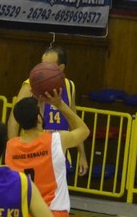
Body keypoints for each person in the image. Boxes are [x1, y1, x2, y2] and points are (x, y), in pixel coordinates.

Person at [7, 46, 88, 178]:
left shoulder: (69, 86)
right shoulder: (30, 85)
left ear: (61, 68)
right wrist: (12, 151)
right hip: (34, 151)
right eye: (41, 64)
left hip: (58, 150)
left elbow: (73, 121)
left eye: (48, 65)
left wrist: (82, 155)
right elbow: (14, 119)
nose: (42, 69)